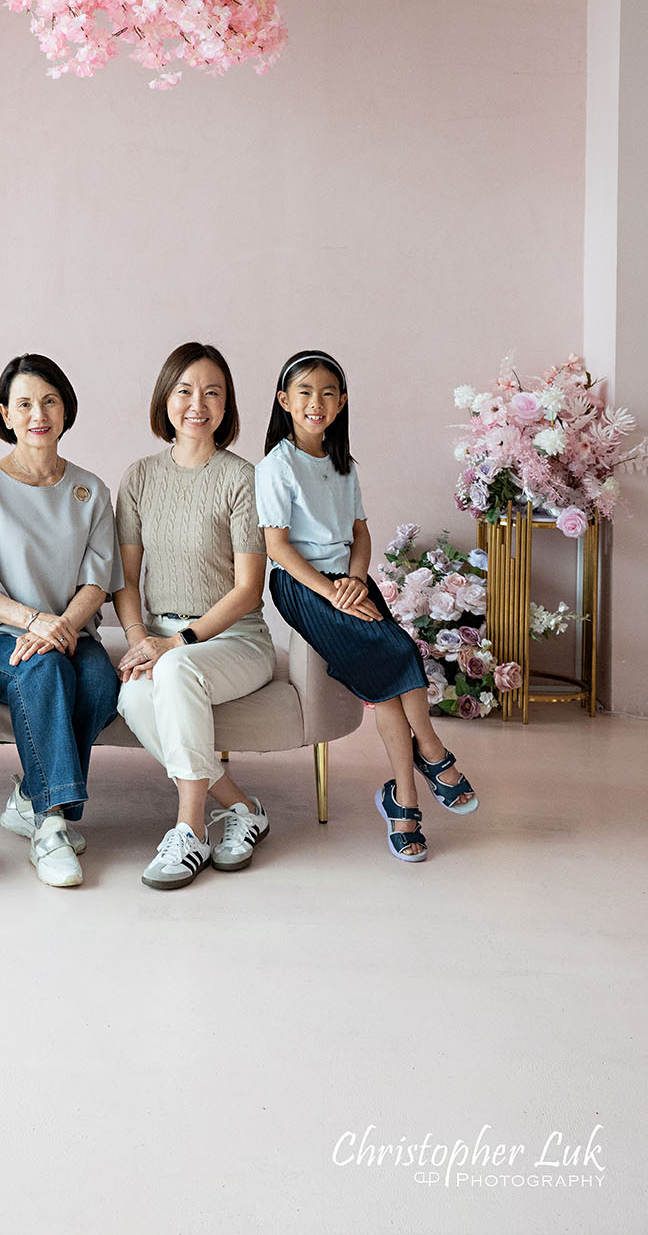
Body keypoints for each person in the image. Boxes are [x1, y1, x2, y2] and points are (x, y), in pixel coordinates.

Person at [255, 349, 479, 863]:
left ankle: (403, 798)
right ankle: (433, 754)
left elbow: (360, 533)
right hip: (303, 586)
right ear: (285, 401)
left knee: (388, 686)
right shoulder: (276, 466)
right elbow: (277, 548)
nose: (317, 402)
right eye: (305, 392)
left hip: (349, 582)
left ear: (342, 402)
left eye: (328, 392)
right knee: (400, 654)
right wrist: (332, 590)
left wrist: (356, 579)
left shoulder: (343, 465)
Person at [0, 354, 121, 889]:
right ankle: (50, 828)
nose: (37, 413)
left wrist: (61, 625)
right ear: (5, 414)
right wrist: (35, 622)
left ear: (66, 409)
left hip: (68, 632)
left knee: (97, 680)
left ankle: (30, 797)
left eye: (48, 401)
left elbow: (99, 578)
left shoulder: (91, 490)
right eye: (23, 403)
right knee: (45, 672)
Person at [113, 342, 277, 889]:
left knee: (174, 671)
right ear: (165, 399)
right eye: (184, 390)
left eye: (212, 392)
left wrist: (177, 643)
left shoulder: (241, 478)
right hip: (160, 637)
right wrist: (140, 638)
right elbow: (127, 580)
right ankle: (242, 808)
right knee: (133, 693)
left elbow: (249, 590)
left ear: (227, 406)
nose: (197, 404)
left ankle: (189, 830)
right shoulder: (138, 477)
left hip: (235, 640)